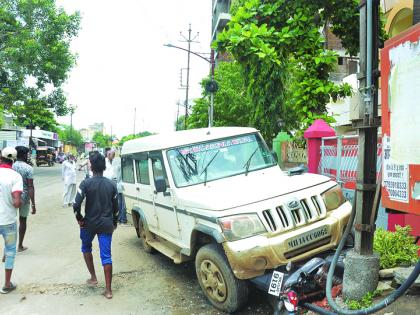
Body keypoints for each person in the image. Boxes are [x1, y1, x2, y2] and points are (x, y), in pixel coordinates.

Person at [73, 151, 119, 299]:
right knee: (106, 256)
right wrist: (115, 222)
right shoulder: (112, 185)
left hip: (89, 224)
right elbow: (117, 208)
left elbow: (76, 205)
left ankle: (93, 277)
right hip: (106, 224)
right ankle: (108, 290)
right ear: (104, 166)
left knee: (86, 247)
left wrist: (80, 219)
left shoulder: (86, 183)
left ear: (91, 167)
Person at [0, 147, 23, 294]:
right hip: (8, 220)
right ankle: (7, 284)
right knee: (10, 252)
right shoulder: (16, 176)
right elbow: (16, 203)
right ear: (13, 160)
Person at [13, 146, 36, 252]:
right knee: (22, 220)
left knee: (10, 222)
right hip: (24, 198)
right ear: (23, 155)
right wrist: (33, 204)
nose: (27, 156)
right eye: (27, 154)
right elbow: (30, 186)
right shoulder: (29, 168)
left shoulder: (11, 166)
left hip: (11, 197)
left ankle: (10, 246)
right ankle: (20, 246)